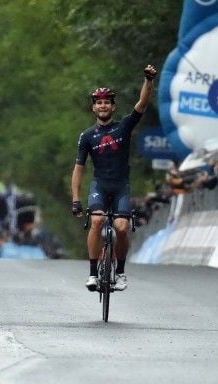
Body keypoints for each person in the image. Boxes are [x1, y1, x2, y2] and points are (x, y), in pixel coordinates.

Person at [71, 64, 158, 292]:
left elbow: (141, 105)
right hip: (100, 184)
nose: (103, 105)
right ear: (94, 108)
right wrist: (76, 199)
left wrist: (148, 81)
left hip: (121, 186)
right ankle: (92, 274)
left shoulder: (123, 128)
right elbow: (79, 168)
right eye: (98, 102)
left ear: (113, 106)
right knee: (97, 221)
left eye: (107, 102)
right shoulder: (87, 136)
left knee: (121, 227)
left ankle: (119, 272)